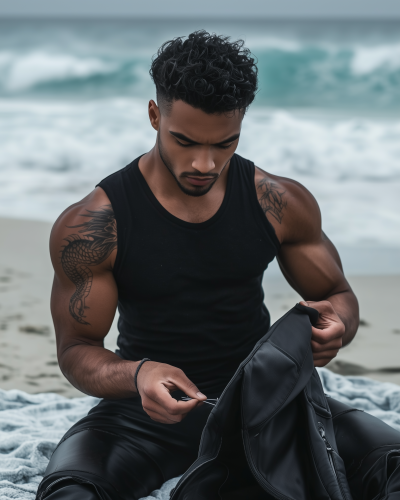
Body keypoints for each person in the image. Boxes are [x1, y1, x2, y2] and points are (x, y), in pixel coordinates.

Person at [38, 31, 360, 500]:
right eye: (185, 141)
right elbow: (77, 351)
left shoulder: (278, 202)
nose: (204, 164)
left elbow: (339, 296)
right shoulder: (94, 225)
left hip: (269, 407)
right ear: (155, 115)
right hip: (143, 417)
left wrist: (339, 326)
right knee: (69, 493)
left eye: (224, 144)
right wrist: (139, 374)